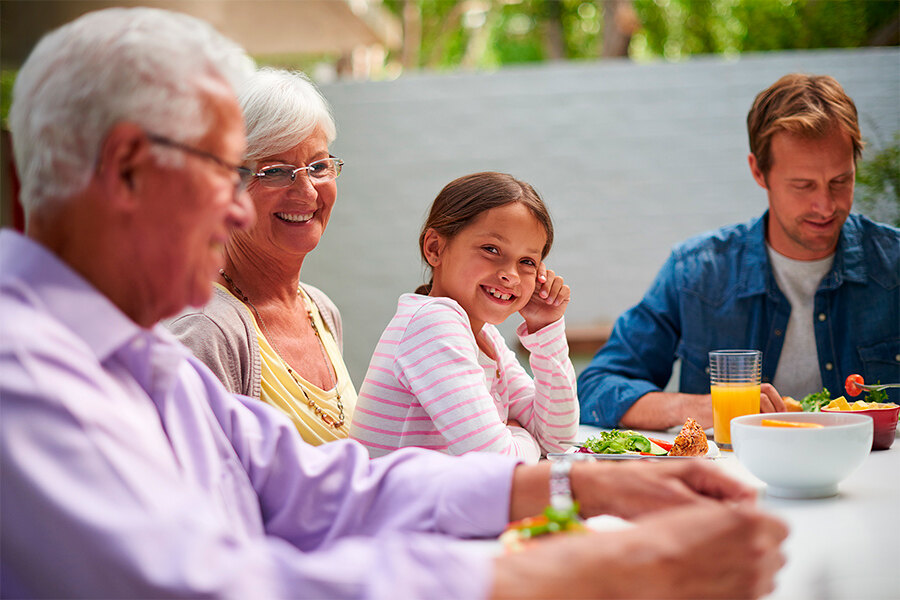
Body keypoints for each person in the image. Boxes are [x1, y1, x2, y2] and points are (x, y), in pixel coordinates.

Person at [0, 8, 788, 598]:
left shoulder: (138, 358)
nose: (244, 210)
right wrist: (591, 570)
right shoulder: (23, 378)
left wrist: (575, 486)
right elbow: (214, 587)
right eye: (227, 172)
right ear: (130, 170)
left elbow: (321, 488)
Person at [578, 73, 900, 430]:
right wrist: (702, 408)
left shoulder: (894, 266)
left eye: (840, 181)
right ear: (759, 172)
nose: (825, 206)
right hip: (730, 481)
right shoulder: (697, 273)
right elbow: (597, 387)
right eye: (803, 185)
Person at [167, 68, 356, 445]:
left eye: (318, 166)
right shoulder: (205, 331)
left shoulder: (319, 309)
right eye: (275, 172)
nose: (307, 192)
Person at [350, 173, 578, 463]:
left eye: (527, 262)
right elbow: (500, 464)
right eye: (491, 249)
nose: (510, 274)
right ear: (435, 248)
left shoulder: (484, 336)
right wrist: (521, 435)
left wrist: (545, 329)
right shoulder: (432, 325)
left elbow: (558, 441)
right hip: (396, 508)